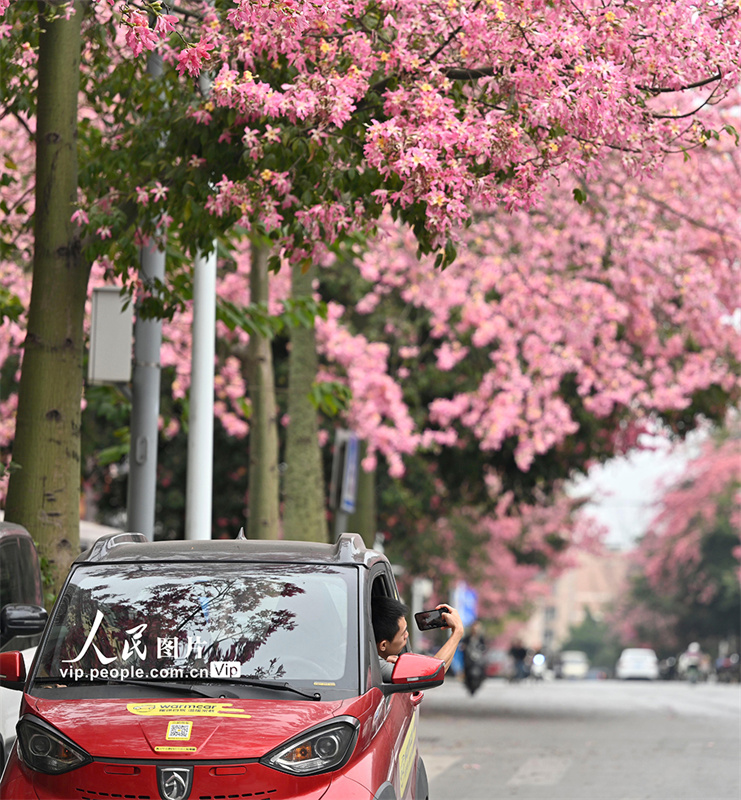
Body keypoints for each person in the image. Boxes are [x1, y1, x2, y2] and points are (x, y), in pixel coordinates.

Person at [371, 596, 464, 681]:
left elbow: (438, 670)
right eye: (403, 634)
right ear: (383, 645)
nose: (407, 635)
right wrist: (457, 632)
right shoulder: (375, 667)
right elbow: (431, 673)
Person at [461, 619, 488, 695]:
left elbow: (484, 647)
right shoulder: (467, 638)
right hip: (469, 660)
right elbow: (463, 646)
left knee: (482, 671)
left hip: (478, 660)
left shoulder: (481, 638)